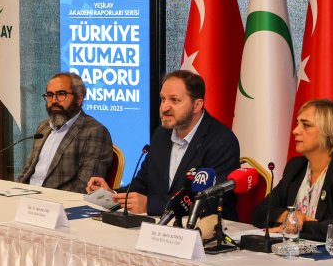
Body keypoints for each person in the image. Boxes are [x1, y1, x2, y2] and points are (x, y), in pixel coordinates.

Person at [86, 69, 239, 218]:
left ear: (197, 105)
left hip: (208, 230)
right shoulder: (161, 134)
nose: (164, 107)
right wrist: (112, 194)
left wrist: (150, 205)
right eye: (163, 99)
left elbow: (209, 203)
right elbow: (142, 184)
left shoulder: (221, 141)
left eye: (174, 100)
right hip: (160, 227)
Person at [251, 98, 333, 245]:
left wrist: (294, 225)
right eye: (297, 124)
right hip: (300, 253)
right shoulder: (295, 167)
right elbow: (259, 213)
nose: (295, 131)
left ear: (329, 132)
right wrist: (288, 216)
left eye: (306, 125)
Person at [17, 72, 113, 193]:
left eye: (61, 94)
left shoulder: (94, 132)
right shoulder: (43, 127)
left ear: (79, 98)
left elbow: (86, 186)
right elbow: (28, 171)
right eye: (49, 95)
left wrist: (44, 199)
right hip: (26, 196)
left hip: (56, 201)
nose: (54, 100)